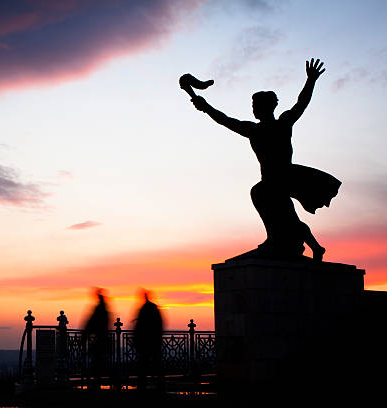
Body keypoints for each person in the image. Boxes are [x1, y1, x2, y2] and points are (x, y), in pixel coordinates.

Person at [190, 58, 340, 261]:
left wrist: (311, 80)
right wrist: (205, 107)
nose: (253, 108)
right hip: (270, 179)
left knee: (266, 197)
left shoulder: (283, 123)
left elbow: (301, 104)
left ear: (268, 106)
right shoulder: (253, 129)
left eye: (256, 105)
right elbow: (224, 120)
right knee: (286, 213)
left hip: (284, 177)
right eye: (253, 104)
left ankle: (279, 239)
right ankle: (312, 246)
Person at [133, 290, 163, 390]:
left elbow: (140, 325)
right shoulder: (153, 307)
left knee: (144, 362)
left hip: (146, 340)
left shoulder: (144, 308)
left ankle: (143, 383)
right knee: (154, 362)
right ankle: (158, 382)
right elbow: (160, 323)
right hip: (153, 340)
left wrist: (136, 337)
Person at [82, 288, 110, 387]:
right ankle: (97, 380)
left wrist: (86, 333)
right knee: (101, 360)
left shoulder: (99, 308)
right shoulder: (104, 308)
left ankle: (95, 381)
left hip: (100, 338)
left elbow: (92, 322)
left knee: (98, 359)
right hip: (103, 338)